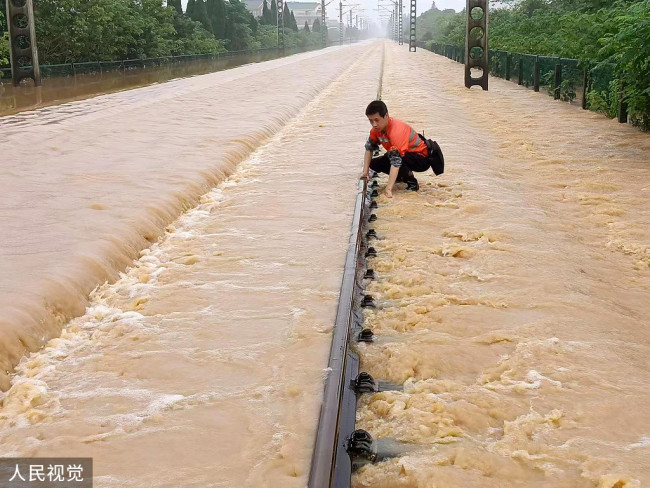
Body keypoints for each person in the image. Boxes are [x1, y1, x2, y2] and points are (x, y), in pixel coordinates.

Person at [360, 100, 431, 198]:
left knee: (394, 157)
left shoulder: (396, 131)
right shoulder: (376, 130)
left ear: (386, 116)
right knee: (374, 163)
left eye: (377, 120)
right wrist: (365, 172)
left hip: (422, 158)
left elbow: (396, 161)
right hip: (404, 155)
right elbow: (369, 148)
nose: (374, 124)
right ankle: (400, 177)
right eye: (371, 121)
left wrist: (388, 189)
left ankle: (412, 183)